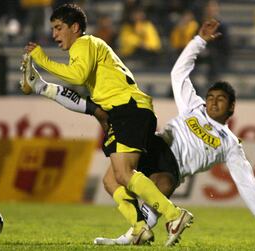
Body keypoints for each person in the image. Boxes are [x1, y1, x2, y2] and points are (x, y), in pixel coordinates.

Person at [20, 18, 255, 245]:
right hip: (156, 144)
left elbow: (246, 181)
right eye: (211, 96)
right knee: (112, 180)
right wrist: (198, 41)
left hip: (172, 168)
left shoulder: (230, 143)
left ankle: (143, 229)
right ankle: (145, 227)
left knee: (146, 184)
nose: (212, 101)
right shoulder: (194, 106)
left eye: (220, 99)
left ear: (231, 108)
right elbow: (178, 74)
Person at [22, 3, 191, 246]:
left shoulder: (85, 43)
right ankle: (140, 228)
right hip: (125, 111)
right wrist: (40, 85)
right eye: (53, 29)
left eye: (59, 28)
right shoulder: (87, 50)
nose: (54, 35)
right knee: (111, 181)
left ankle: (174, 215)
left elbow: (76, 77)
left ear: (75, 27)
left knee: (124, 173)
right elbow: (81, 99)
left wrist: (41, 59)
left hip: (129, 109)